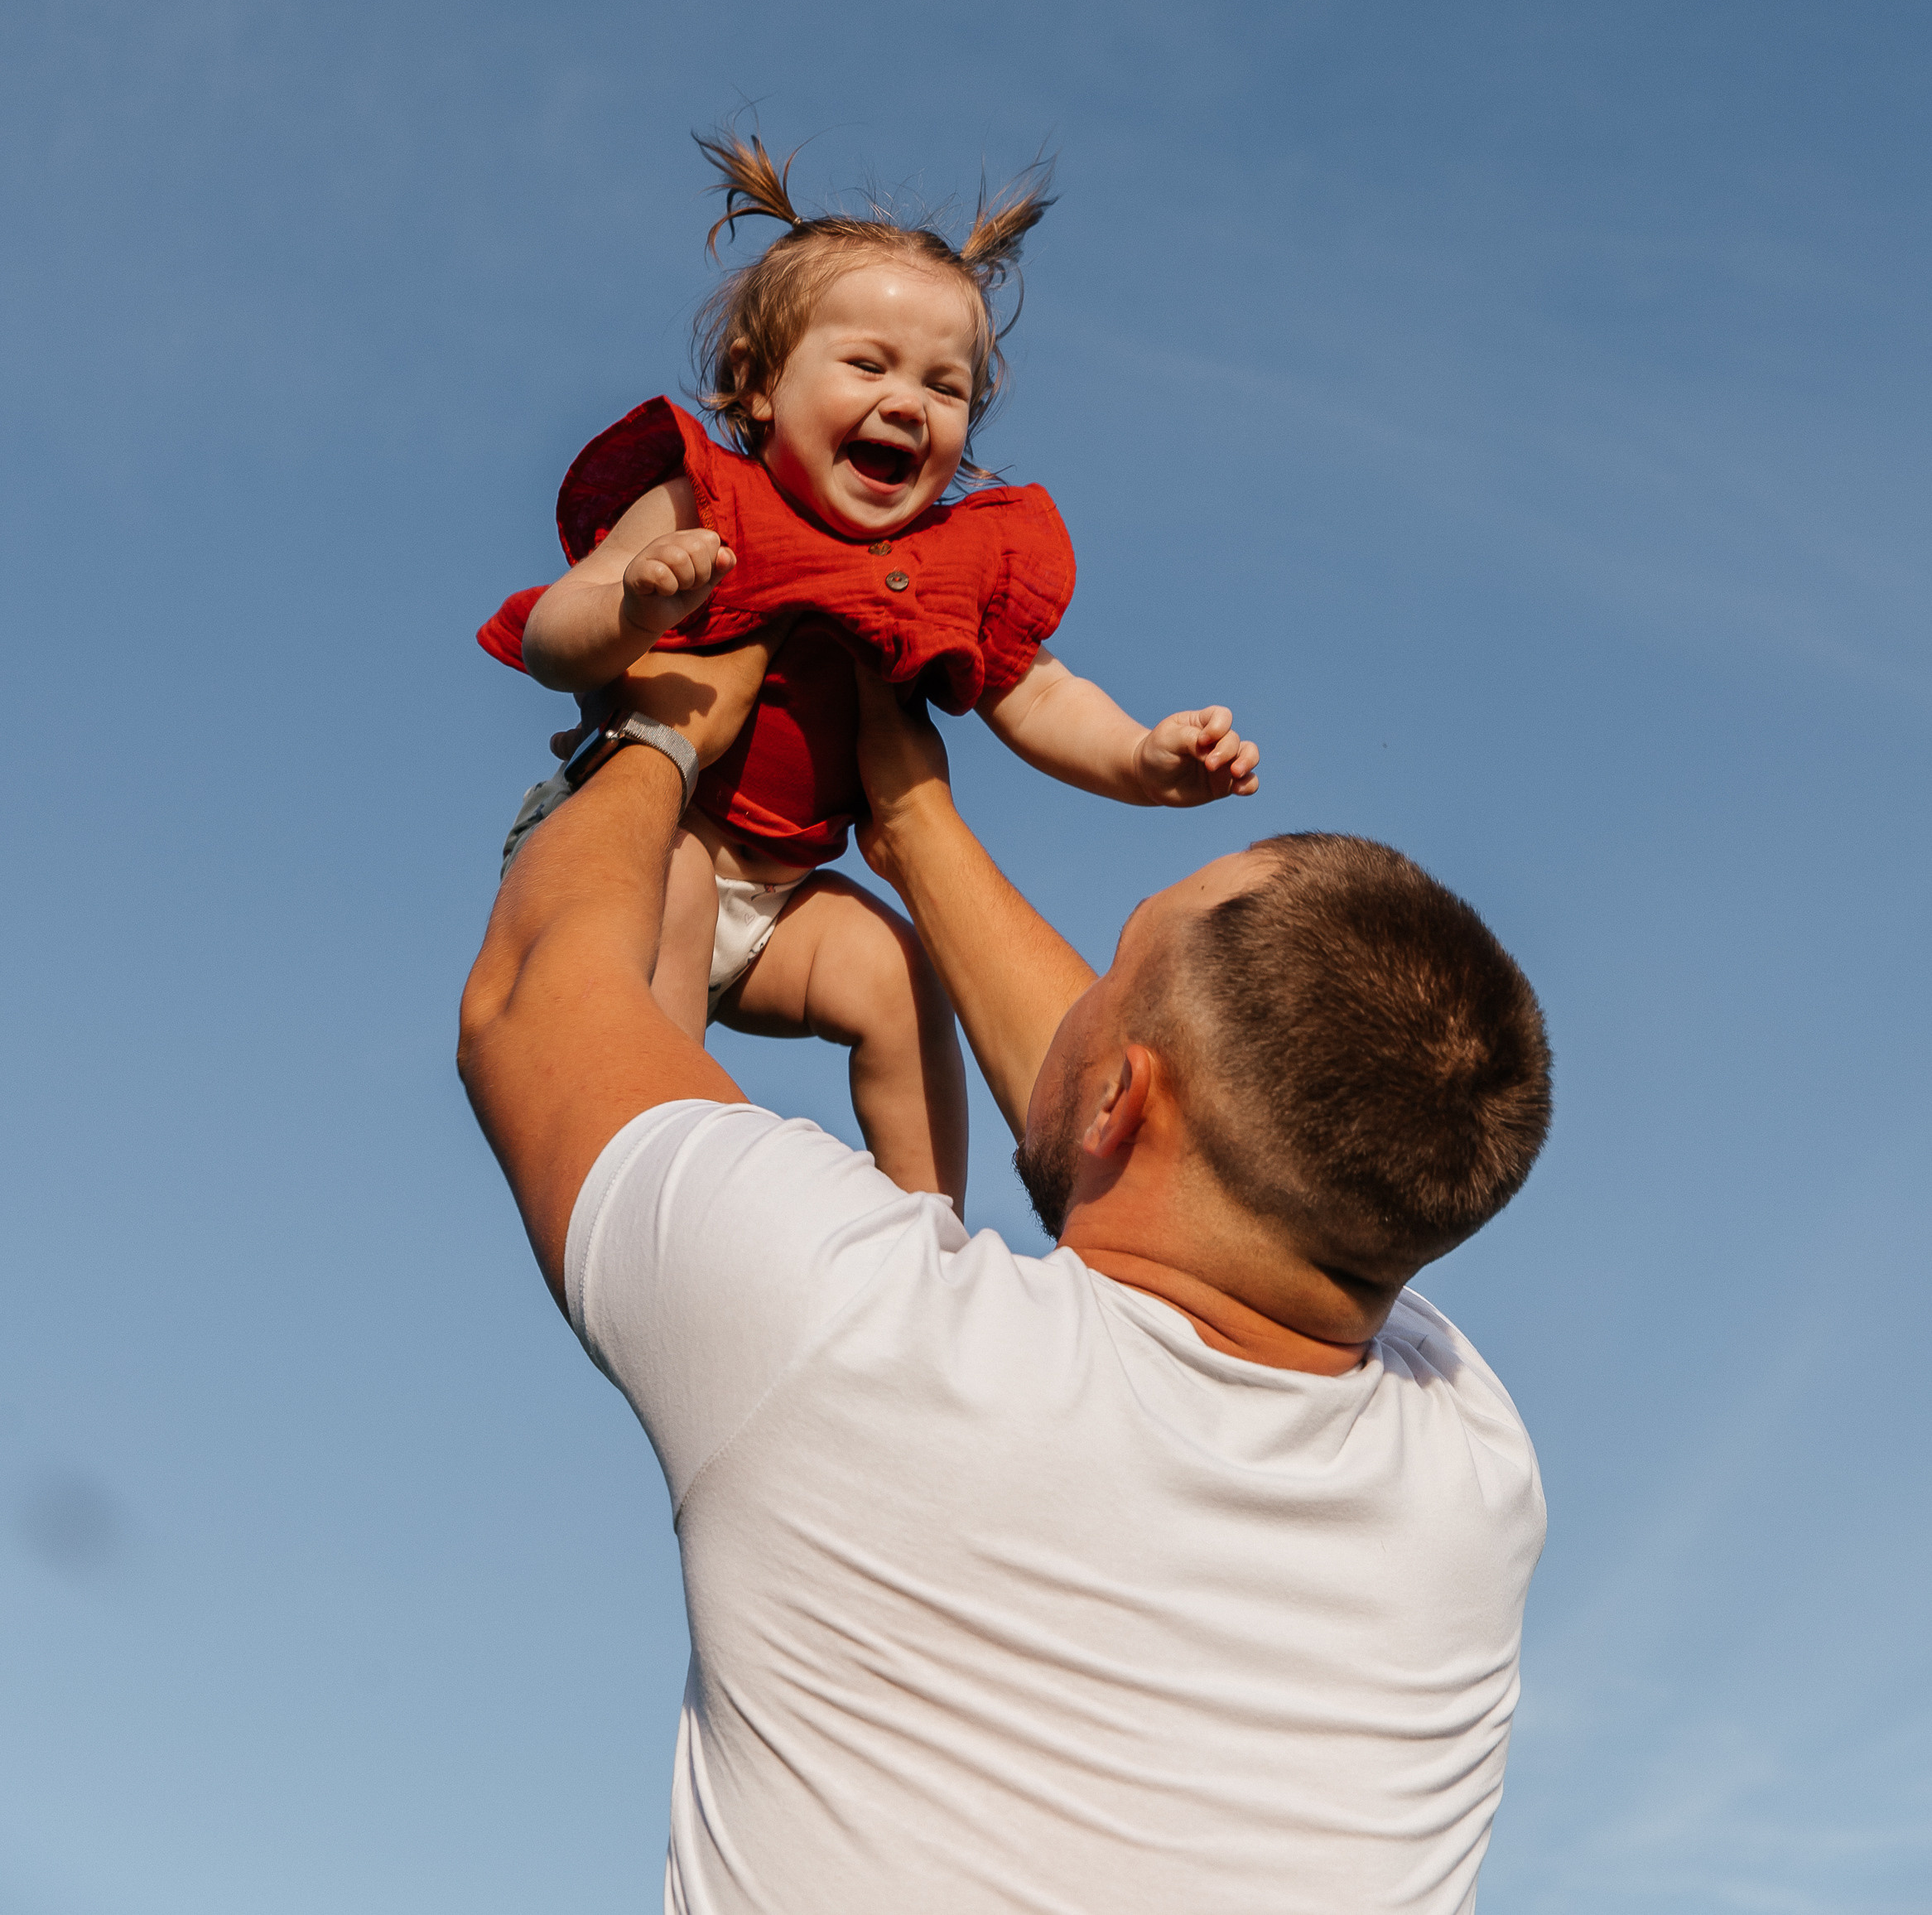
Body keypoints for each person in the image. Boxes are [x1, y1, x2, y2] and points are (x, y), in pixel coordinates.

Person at [459, 643, 1553, 1915]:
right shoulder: (1470, 1466)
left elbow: (535, 1003)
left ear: (1119, 1094)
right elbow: (1161, 1143)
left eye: (1116, 959)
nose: (1081, 996)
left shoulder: (850, 1336)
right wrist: (913, 815)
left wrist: (657, 736)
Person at [476, 128, 1259, 1205]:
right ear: (754, 387)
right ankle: (673, 1169)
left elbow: (1035, 692)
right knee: (686, 889)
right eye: (868, 365)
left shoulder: (948, 559)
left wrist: (1142, 759)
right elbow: (549, 636)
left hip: (789, 892)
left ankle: (926, 1219)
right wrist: (637, 601)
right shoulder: (704, 500)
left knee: (899, 968)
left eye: (947, 387)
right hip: (650, 851)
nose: (909, 402)